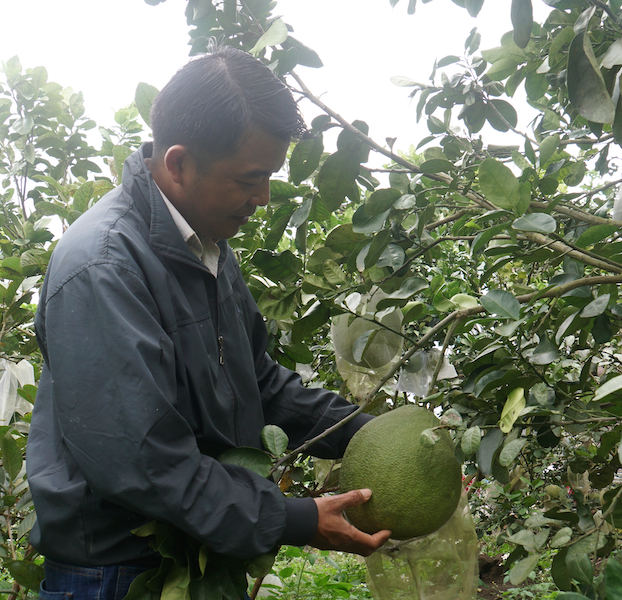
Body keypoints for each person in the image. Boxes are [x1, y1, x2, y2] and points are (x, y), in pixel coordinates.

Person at [27, 47, 390, 600]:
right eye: (250, 178)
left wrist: (373, 437)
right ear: (177, 164)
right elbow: (144, 461)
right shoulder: (102, 266)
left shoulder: (206, 246)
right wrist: (295, 519)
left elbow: (260, 383)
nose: (263, 199)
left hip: (201, 551)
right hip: (119, 573)